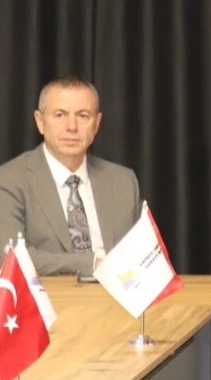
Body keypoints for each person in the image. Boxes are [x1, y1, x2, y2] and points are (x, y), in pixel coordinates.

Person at [0, 76, 141, 275]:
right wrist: (91, 264)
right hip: (49, 293)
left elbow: (143, 257)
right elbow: (10, 256)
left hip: (119, 292)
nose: (72, 127)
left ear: (96, 124)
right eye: (60, 115)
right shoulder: (10, 180)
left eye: (83, 116)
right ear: (40, 122)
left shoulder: (123, 181)